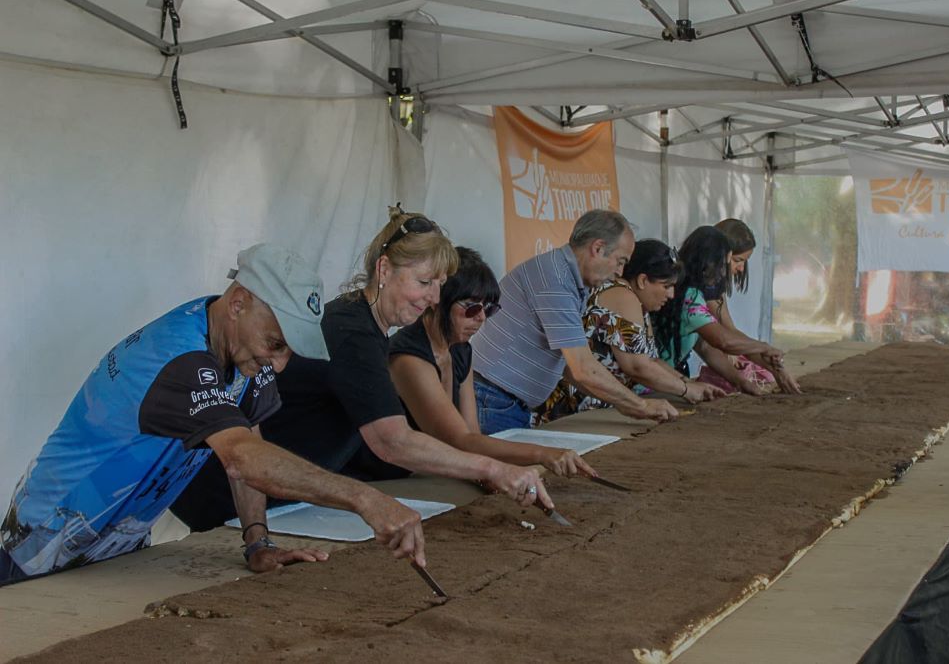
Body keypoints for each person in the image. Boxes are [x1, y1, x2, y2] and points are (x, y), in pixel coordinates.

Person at [1, 244, 427, 587]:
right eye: (276, 343)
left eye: (287, 351)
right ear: (238, 303)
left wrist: (257, 542)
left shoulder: (243, 353)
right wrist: (365, 499)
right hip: (40, 545)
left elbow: (252, 446)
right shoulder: (179, 357)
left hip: (116, 547)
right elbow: (242, 457)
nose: (278, 364)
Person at [172, 209, 553, 533]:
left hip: (268, 498)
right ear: (384, 269)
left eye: (439, 285)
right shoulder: (352, 331)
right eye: (424, 282)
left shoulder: (365, 325)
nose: (434, 298)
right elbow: (392, 441)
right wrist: (493, 468)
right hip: (230, 493)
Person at [388, 247, 596, 477]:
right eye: (472, 307)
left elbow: (472, 435)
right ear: (437, 299)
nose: (481, 318)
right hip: (391, 478)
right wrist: (541, 454)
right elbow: (459, 441)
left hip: (432, 469)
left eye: (488, 308)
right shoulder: (409, 359)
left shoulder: (460, 349)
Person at [471, 209, 677, 434]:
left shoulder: (566, 277)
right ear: (597, 249)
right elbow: (582, 368)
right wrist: (639, 406)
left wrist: (626, 403)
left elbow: (570, 365)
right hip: (493, 399)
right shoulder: (556, 280)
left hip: (499, 399)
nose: (620, 272)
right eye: (620, 261)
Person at [535, 239, 727, 423]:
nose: (671, 295)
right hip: (570, 408)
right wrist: (686, 389)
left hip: (601, 402)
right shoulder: (624, 296)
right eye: (666, 286)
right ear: (643, 280)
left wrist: (689, 384)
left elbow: (651, 360)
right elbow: (637, 367)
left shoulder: (638, 303)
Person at [651, 226, 792, 396]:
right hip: (650, 385)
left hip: (660, 379)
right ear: (707, 262)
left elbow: (705, 347)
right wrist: (764, 347)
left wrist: (741, 382)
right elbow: (723, 341)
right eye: (723, 264)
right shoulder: (690, 296)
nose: (724, 273)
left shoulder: (689, 290)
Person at [699, 218, 802, 395]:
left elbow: (728, 333)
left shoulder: (712, 288)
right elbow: (722, 341)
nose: (740, 268)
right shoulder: (691, 293)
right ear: (721, 254)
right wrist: (766, 350)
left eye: (744, 262)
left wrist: (774, 368)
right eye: (737, 260)